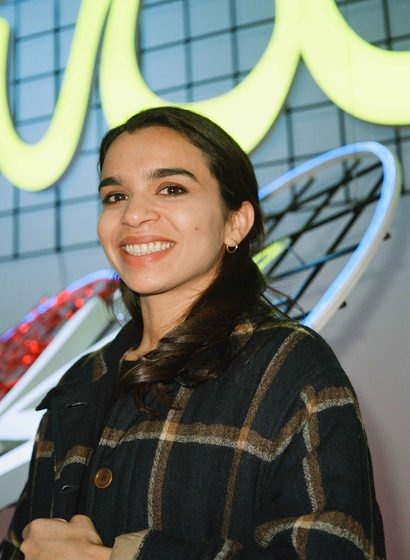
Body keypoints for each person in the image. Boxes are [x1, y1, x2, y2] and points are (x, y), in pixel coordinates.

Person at [1, 106, 385, 559]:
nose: (134, 215)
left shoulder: (289, 365)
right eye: (115, 196)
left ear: (235, 222)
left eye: (171, 189)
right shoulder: (84, 379)